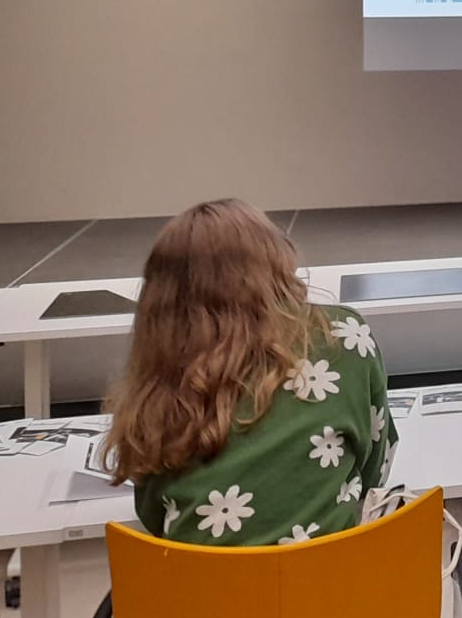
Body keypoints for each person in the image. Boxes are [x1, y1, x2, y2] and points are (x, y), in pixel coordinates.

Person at [104, 198, 394, 545]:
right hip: (334, 590)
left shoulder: (159, 387)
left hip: (202, 596)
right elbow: (375, 464)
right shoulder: (342, 336)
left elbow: (153, 514)